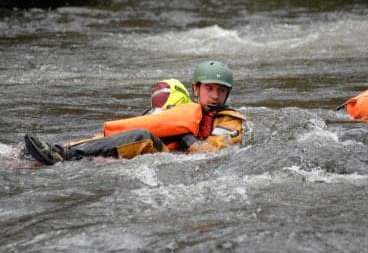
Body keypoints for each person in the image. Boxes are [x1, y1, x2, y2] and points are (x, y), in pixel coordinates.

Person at [23, 61, 246, 165]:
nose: (215, 96)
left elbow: (214, 152)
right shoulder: (183, 110)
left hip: (179, 160)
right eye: (209, 89)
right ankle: (57, 150)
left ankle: (61, 156)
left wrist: (185, 137)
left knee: (142, 137)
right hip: (169, 154)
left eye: (221, 90)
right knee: (125, 133)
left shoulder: (230, 120)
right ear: (196, 89)